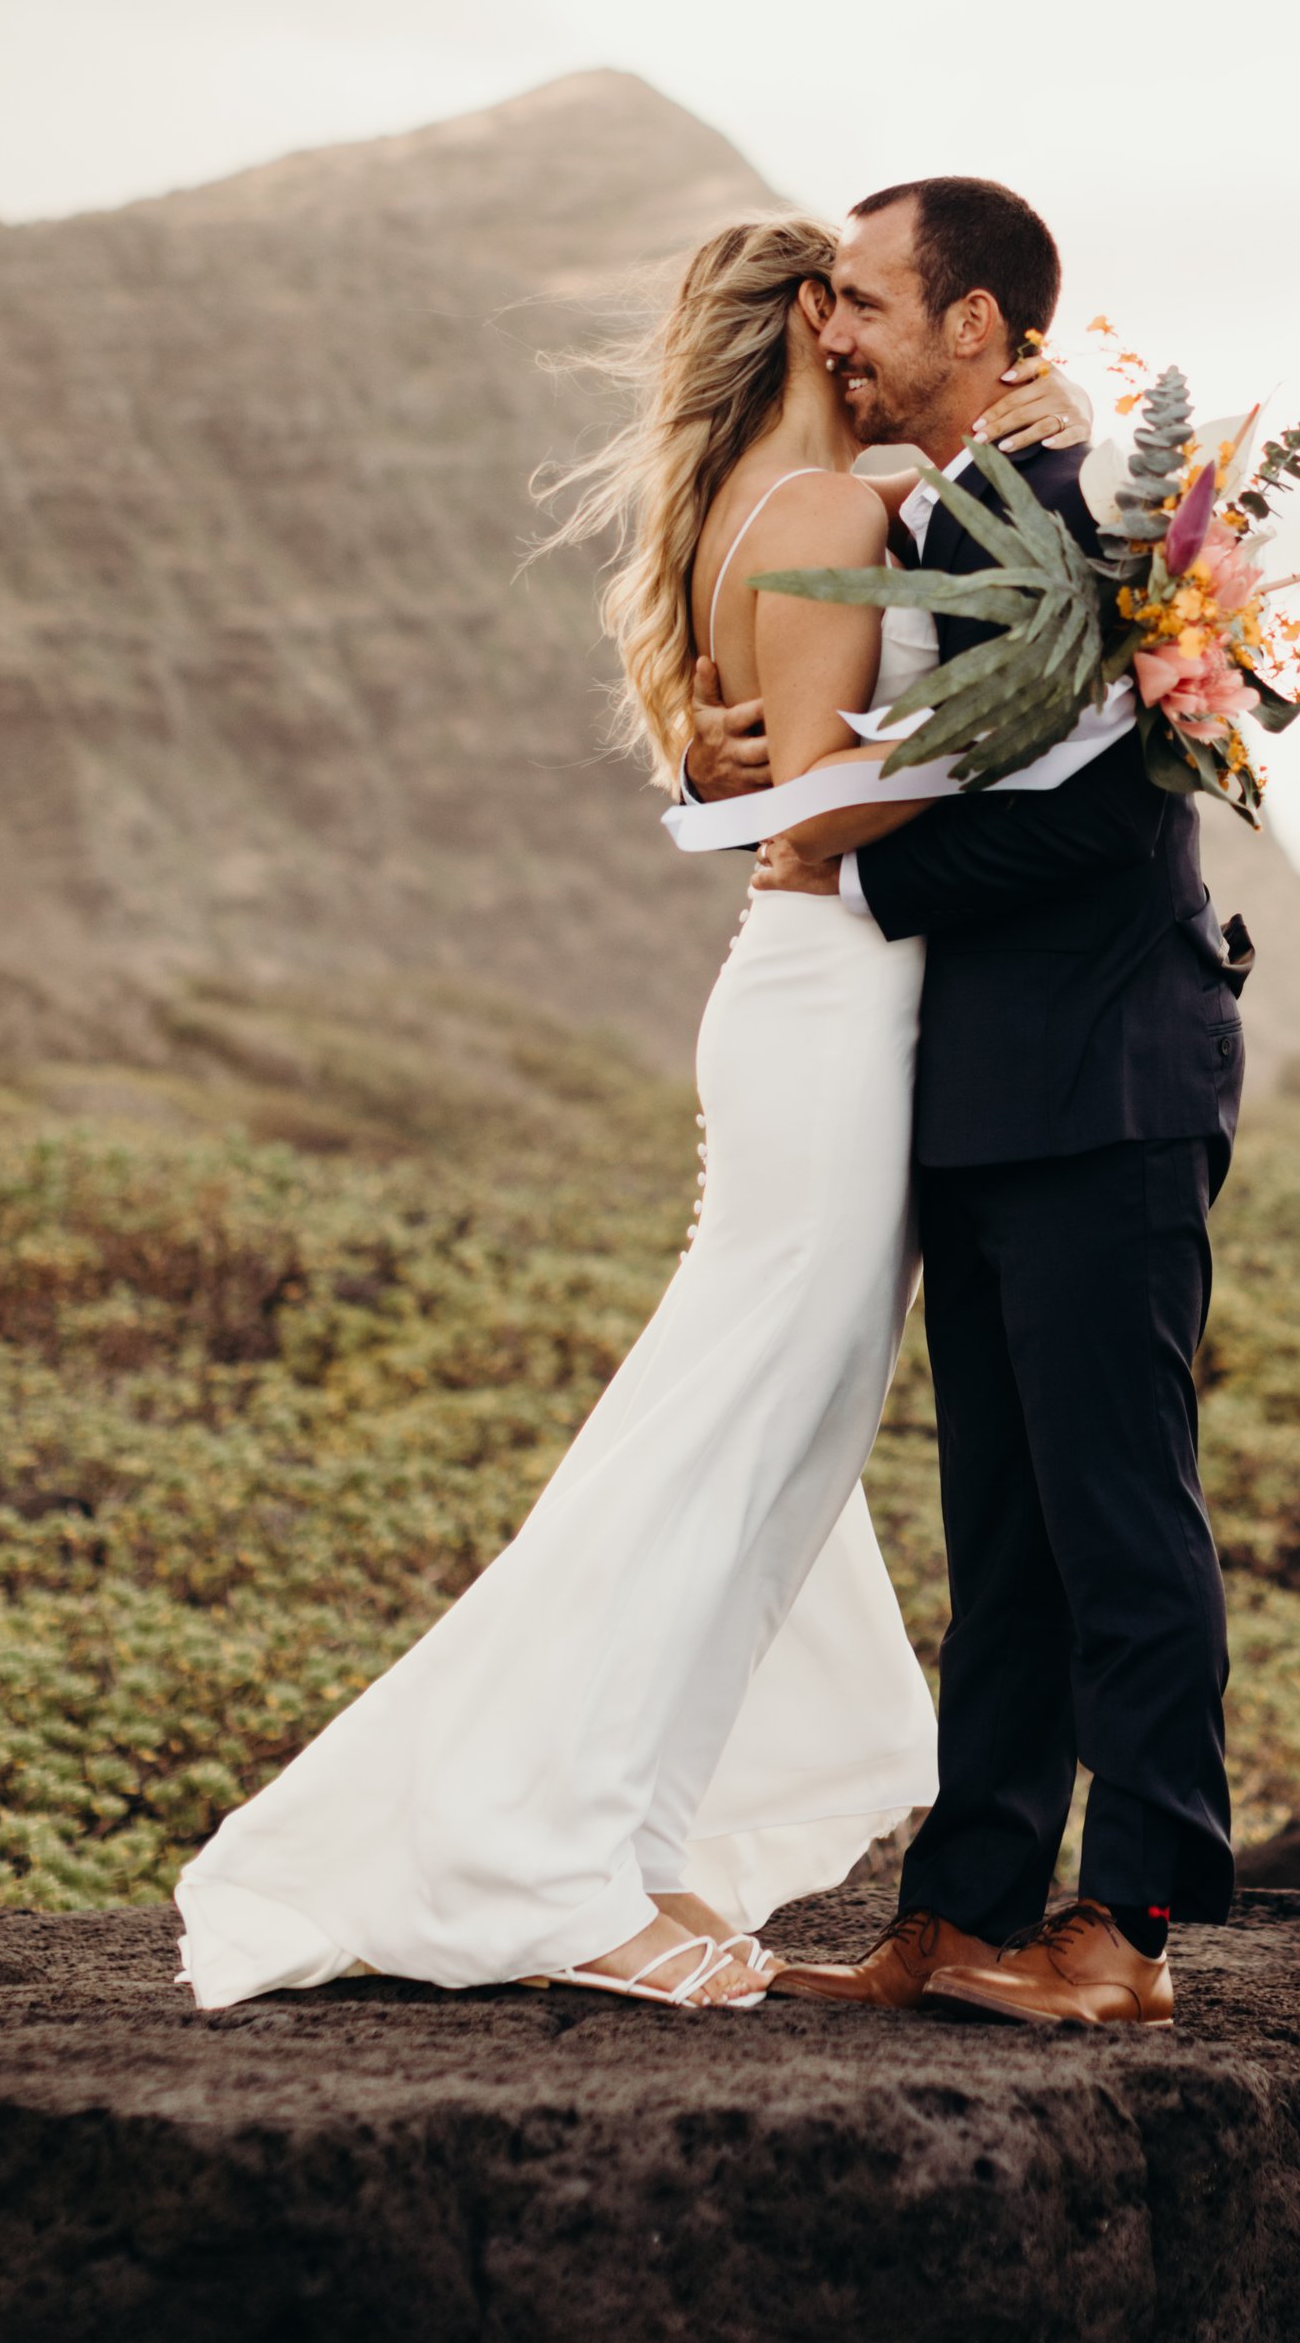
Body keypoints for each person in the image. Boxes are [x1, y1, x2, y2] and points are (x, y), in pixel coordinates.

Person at [170, 212, 1088, 2014]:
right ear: (818, 320)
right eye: (864, 306)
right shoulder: (825, 518)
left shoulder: (778, 510)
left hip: (814, 1005)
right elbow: (815, 814)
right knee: (733, 1436)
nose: (884, 341)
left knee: (775, 1453)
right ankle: (543, 1858)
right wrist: (1020, 712)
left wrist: (1020, 461)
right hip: (831, 1005)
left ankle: (622, 1844)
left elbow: (779, 751)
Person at [693, 178, 1249, 2033]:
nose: (833, 330)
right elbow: (907, 741)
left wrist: (862, 870)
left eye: (862, 300)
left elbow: (1112, 807)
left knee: (1120, 1521)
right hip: (979, 1087)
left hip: (1106, 1077)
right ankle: (961, 1905)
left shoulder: (1073, 507)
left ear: (982, 330)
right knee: (1001, 1530)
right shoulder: (937, 506)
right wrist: (765, 758)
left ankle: (1137, 1918)